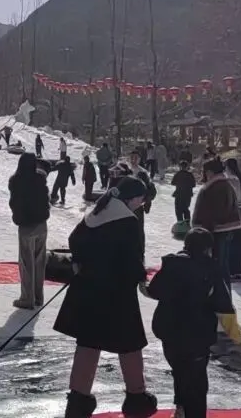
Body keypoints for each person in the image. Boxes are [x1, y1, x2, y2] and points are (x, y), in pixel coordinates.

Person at [54, 178, 158, 418]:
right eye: (141, 200)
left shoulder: (97, 213)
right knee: (130, 344)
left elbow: (74, 240)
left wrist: (83, 263)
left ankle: (78, 401)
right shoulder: (127, 221)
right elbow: (131, 259)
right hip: (118, 295)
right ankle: (136, 397)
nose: (141, 204)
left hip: (87, 291)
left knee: (88, 344)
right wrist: (141, 277)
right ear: (133, 198)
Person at [147, 227, 236, 418]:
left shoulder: (171, 264)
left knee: (179, 370)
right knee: (196, 380)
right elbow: (223, 305)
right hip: (197, 334)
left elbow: (153, 291)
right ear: (208, 249)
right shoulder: (211, 269)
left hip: (169, 331)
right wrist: (237, 338)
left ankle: (181, 407)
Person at [9, 153, 50, 309]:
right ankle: (39, 297)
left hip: (26, 226)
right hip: (42, 224)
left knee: (27, 263)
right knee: (39, 262)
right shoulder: (40, 178)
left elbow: (14, 203)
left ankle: (27, 299)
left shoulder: (16, 180)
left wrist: (18, 217)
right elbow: (46, 199)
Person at [191, 158, 241, 283]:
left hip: (216, 230)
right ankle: (222, 290)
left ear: (209, 172)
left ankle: (220, 292)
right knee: (222, 263)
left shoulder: (215, 187)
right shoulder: (224, 185)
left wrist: (203, 231)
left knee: (218, 264)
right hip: (222, 229)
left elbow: (215, 212)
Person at [224, 158, 241, 279]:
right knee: (237, 242)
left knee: (228, 242)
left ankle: (229, 269)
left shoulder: (230, 181)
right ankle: (238, 269)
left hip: (231, 212)